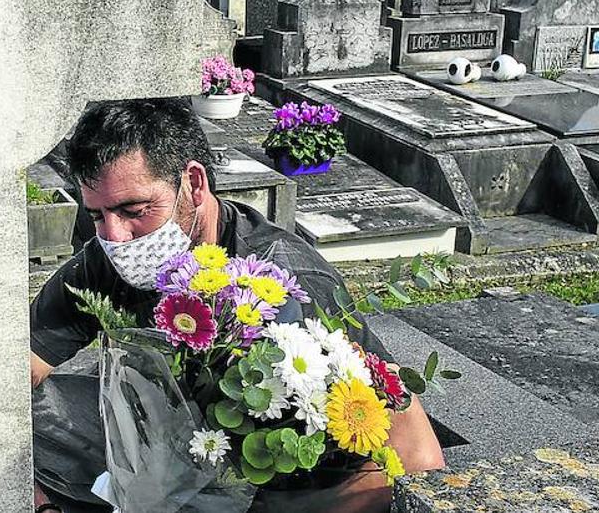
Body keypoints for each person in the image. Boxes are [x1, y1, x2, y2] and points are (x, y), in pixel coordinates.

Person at [30, 98, 444, 513]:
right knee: (26, 421)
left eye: (134, 210)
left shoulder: (284, 282)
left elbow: (412, 449)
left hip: (281, 485)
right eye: (98, 216)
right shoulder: (109, 261)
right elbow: (14, 372)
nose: (116, 236)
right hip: (164, 454)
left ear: (194, 183)